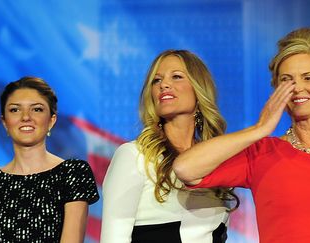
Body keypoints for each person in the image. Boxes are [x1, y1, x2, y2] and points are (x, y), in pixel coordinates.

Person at [173, 27, 310, 243]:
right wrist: (258, 129)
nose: (297, 88)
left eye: (309, 78)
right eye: (286, 80)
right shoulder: (263, 153)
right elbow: (186, 168)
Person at [100, 49, 236, 243]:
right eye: (157, 80)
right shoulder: (134, 156)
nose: (164, 84)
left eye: (177, 77)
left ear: (199, 90)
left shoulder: (215, 162)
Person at [0, 76, 99, 242]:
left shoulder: (72, 173)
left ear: (51, 121)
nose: (26, 117)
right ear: (4, 122)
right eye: (15, 110)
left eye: (37, 109)